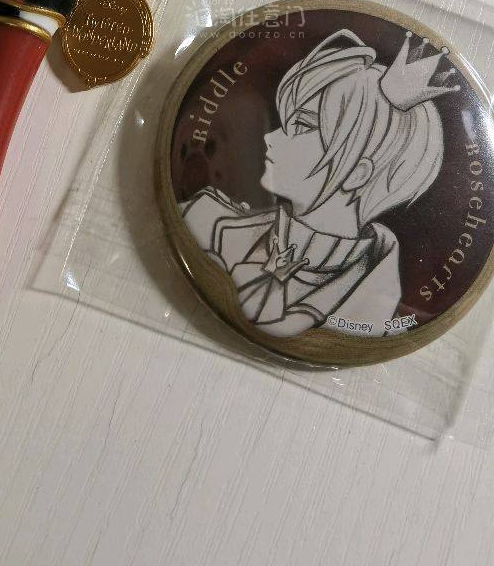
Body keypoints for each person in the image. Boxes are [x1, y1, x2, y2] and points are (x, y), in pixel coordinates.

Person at [182, 28, 455, 339]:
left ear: (357, 173)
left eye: (302, 126)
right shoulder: (209, 220)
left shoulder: (374, 310)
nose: (270, 138)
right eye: (287, 122)